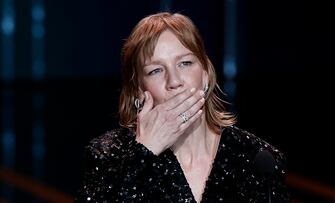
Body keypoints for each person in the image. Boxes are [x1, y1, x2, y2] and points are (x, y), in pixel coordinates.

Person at [75, 12, 290, 202]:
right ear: (139, 91)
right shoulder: (108, 157)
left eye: (185, 63)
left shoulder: (258, 158)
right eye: (156, 70)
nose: (174, 81)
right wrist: (144, 153)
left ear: (205, 75)